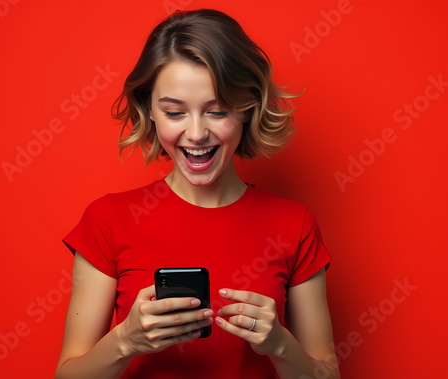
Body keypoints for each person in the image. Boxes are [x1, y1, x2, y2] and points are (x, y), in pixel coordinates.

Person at [55, 9, 340, 379]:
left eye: (217, 110)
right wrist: (126, 340)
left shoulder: (295, 225)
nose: (195, 133)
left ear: (246, 108)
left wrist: (280, 345)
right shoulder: (108, 220)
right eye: (174, 112)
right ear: (150, 111)